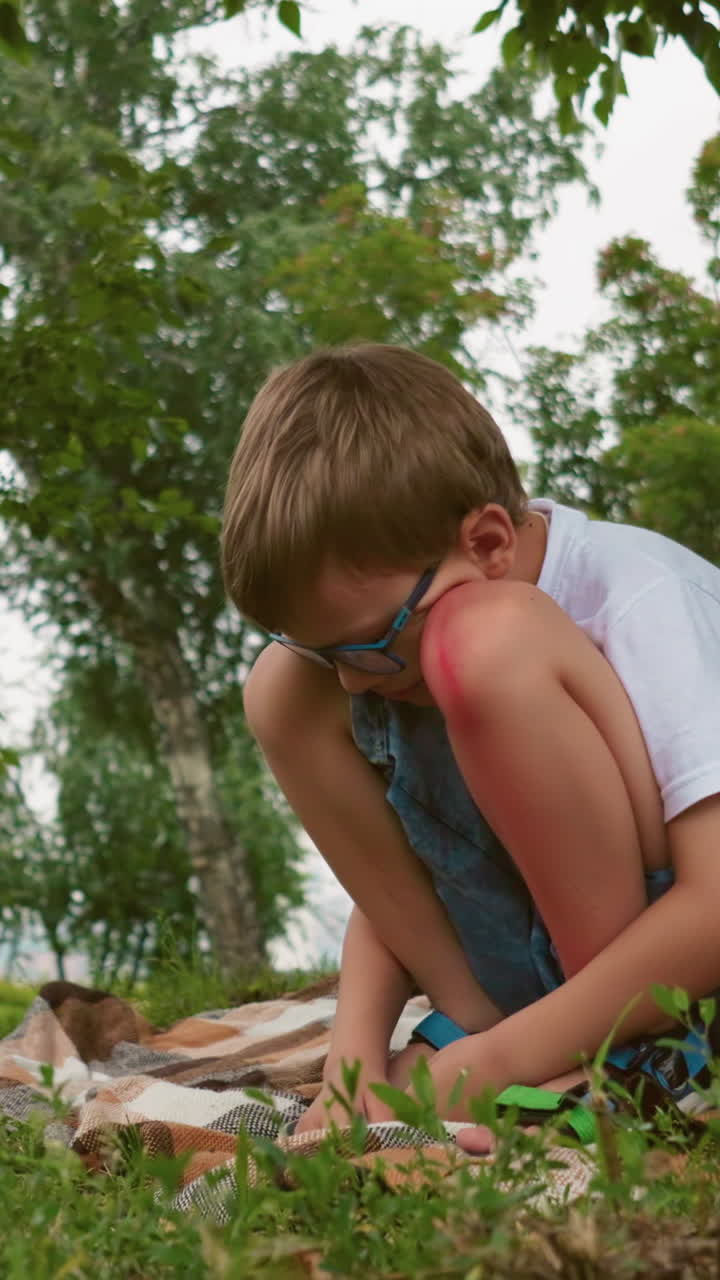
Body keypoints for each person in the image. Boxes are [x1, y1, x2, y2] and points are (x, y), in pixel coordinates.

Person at [221, 342, 720, 1146]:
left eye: (370, 645)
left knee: (481, 641)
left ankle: (617, 1052)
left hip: (677, 970)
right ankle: (485, 1018)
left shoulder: (643, 598)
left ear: (489, 542)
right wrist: (353, 1069)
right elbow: (415, 864)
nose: (354, 685)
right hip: (528, 977)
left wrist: (493, 1067)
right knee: (279, 688)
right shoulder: (393, 646)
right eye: (331, 655)